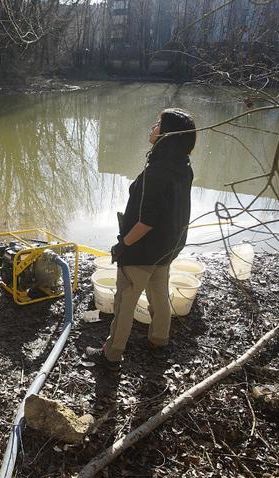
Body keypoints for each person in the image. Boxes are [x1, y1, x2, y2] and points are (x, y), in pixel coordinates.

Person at [84, 108, 196, 372]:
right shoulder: (183, 167)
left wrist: (123, 246)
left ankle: (111, 355)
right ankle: (159, 340)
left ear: (167, 135)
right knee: (159, 295)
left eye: (158, 123)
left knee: (125, 302)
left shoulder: (157, 172)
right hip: (167, 248)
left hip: (142, 250)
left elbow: (146, 221)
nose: (152, 126)